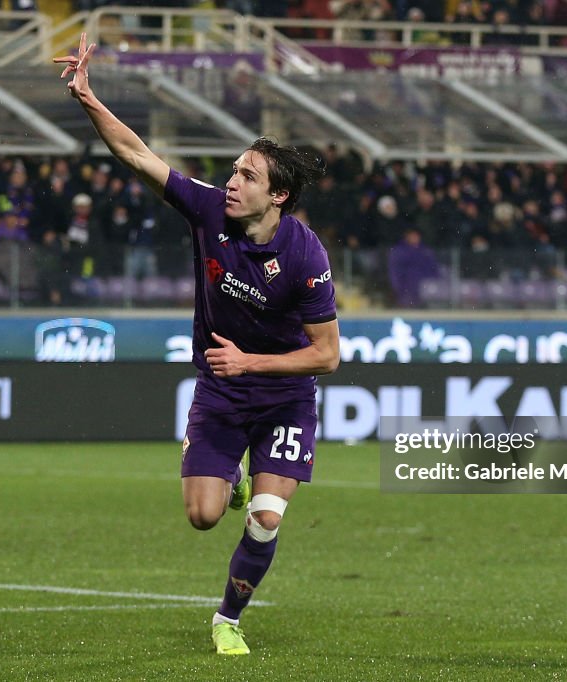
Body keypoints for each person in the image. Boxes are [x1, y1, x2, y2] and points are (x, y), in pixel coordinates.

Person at [55, 34, 340, 656]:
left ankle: (227, 620)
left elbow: (327, 354)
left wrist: (252, 361)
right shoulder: (209, 211)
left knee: (265, 517)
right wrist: (86, 98)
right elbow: (136, 155)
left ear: (278, 196)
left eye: (247, 175)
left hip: (285, 396)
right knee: (204, 516)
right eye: (234, 170)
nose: (231, 181)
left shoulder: (305, 255)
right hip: (221, 390)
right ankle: (225, 473)